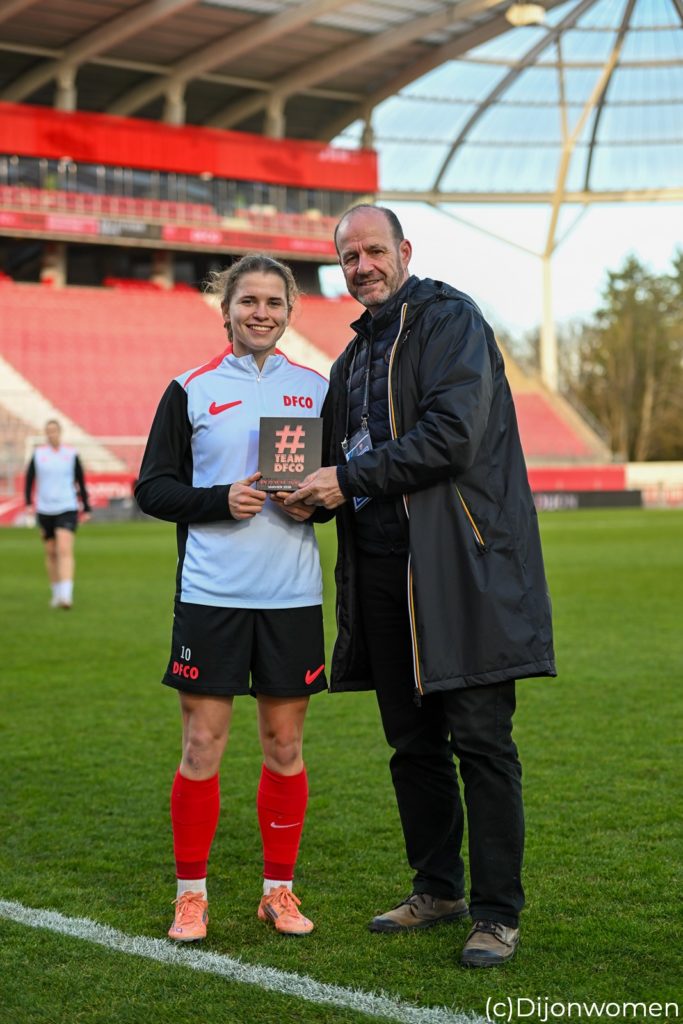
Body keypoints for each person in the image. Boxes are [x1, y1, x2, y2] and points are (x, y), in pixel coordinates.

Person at [285, 205, 556, 968]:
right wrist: (299, 492)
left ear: (403, 250)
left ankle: (497, 913)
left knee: (481, 741)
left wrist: (345, 479)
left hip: (459, 565)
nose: (362, 267)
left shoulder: (448, 321)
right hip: (379, 570)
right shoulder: (350, 358)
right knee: (411, 744)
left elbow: (450, 436)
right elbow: (333, 458)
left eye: (374, 251)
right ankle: (437, 888)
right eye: (348, 258)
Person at [135, 254, 328, 943]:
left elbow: (339, 485)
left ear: (289, 311)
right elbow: (152, 488)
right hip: (211, 593)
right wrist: (219, 500)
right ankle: (191, 896)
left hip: (291, 595)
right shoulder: (189, 389)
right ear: (227, 310)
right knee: (201, 743)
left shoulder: (317, 388)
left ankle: (278, 892)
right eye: (248, 301)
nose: (261, 313)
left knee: (284, 743)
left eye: (274, 302)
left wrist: (315, 505)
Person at [25, 418, 91, 609]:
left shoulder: (70, 454)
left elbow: (80, 480)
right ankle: (55, 593)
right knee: (51, 552)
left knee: (64, 549)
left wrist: (86, 507)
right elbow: (30, 479)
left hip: (67, 506)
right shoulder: (38, 454)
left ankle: (66, 595)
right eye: (48, 431)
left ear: (60, 432)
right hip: (44, 509)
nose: (51, 434)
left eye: (54, 430)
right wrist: (29, 503)